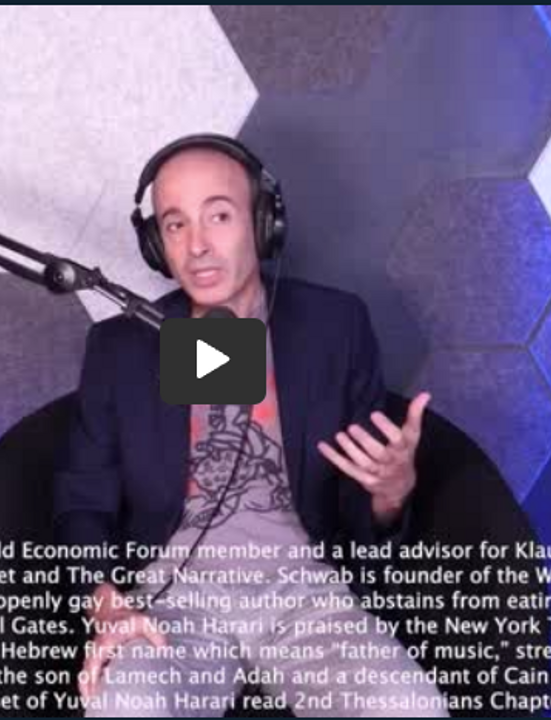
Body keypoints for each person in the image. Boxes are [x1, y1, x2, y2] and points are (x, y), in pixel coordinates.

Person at [53, 134, 447, 718]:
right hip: (173, 602)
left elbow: (358, 505)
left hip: (307, 597)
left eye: (219, 216)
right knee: (125, 705)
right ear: (155, 244)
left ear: (264, 224)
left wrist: (391, 493)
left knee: (407, 708)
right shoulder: (122, 347)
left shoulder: (333, 327)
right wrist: (106, 602)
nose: (197, 246)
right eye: (175, 224)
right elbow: (81, 503)